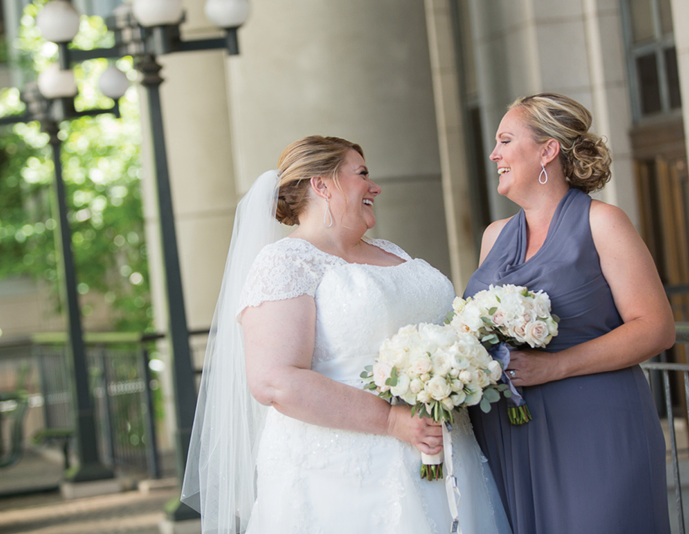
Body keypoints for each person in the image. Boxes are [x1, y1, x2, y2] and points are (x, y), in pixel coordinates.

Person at [182, 136, 510, 534]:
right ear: (322, 185)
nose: (375, 187)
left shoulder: (393, 252)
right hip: (344, 474)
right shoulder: (285, 262)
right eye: (362, 174)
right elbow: (275, 381)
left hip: (446, 452)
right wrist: (392, 421)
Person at [466, 93, 675, 533]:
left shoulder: (603, 222)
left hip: (595, 428)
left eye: (505, 140)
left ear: (548, 149)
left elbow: (656, 328)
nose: (494, 153)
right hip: (510, 433)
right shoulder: (494, 237)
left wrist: (554, 366)